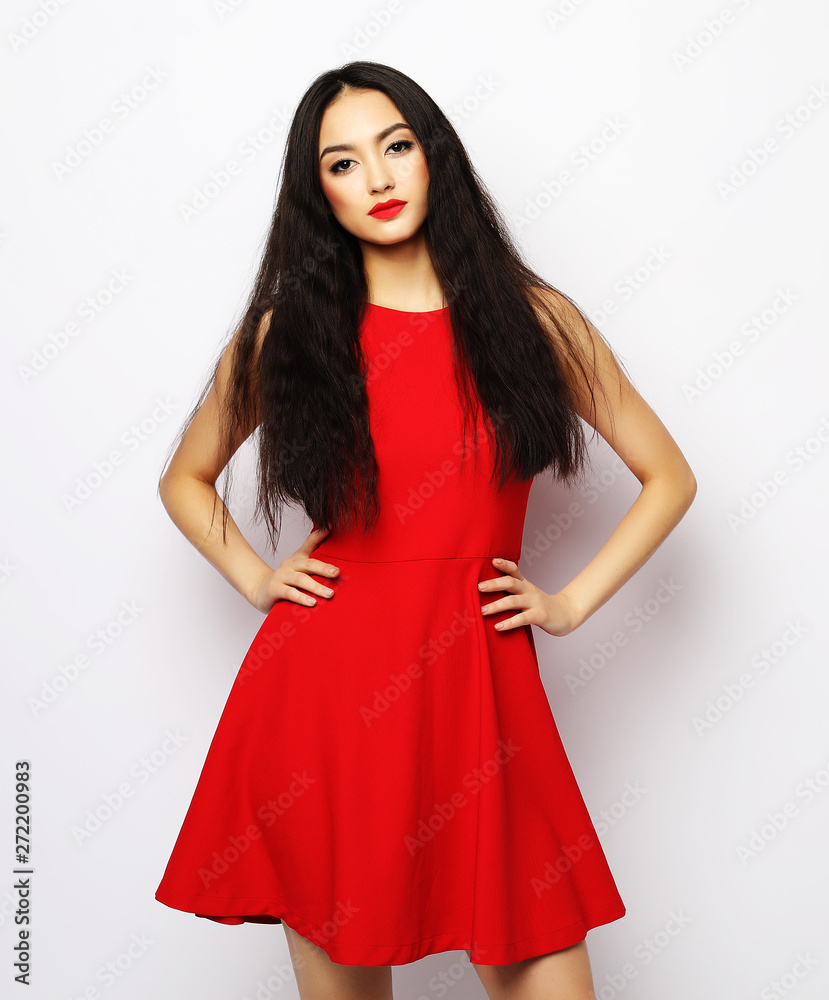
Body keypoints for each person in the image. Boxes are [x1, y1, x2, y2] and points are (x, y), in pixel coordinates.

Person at [154, 60, 697, 1000]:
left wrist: (566, 603)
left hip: (483, 698)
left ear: (433, 155)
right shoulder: (293, 330)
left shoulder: (536, 320)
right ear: (314, 191)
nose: (377, 178)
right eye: (343, 162)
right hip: (324, 707)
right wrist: (255, 579)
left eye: (396, 146)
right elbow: (184, 479)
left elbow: (668, 477)